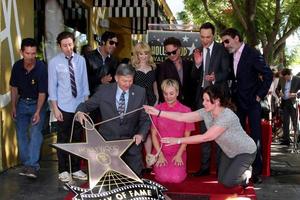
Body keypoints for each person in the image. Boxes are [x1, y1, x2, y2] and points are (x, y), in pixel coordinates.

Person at [144, 85, 256, 188]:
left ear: (217, 101)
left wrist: (178, 140)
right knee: (221, 180)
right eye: (203, 99)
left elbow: (205, 137)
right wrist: (158, 112)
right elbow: (182, 117)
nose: (203, 103)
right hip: (229, 152)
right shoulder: (206, 112)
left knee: (228, 182)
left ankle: (245, 175)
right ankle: (240, 171)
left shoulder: (226, 116)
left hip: (245, 151)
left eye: (207, 100)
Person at [76, 64, 151, 176]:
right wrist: (80, 112)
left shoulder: (140, 92)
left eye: (130, 81)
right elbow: (86, 105)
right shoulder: (104, 90)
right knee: (109, 180)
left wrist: (141, 134)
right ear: (116, 78)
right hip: (107, 142)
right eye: (124, 81)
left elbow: (145, 119)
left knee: (134, 178)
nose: (127, 84)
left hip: (131, 142)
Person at [220, 28, 273, 183]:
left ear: (237, 38)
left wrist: (259, 96)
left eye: (227, 41)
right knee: (239, 136)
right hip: (237, 103)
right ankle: (241, 168)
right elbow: (234, 76)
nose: (225, 45)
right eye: (223, 42)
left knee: (255, 138)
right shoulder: (230, 55)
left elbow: (268, 74)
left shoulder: (253, 53)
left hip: (252, 103)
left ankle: (256, 171)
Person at [48, 31, 90, 182]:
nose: (68, 48)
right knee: (63, 139)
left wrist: (85, 107)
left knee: (78, 138)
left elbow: (85, 84)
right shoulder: (54, 63)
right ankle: (63, 170)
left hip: (79, 106)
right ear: (60, 46)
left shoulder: (81, 60)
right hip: (63, 107)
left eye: (70, 44)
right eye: (65, 45)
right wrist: (55, 108)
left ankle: (76, 168)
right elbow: (52, 88)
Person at [192, 22, 231, 176]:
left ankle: (221, 169)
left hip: (218, 98)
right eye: (202, 37)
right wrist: (197, 65)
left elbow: (227, 71)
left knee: (220, 134)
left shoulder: (222, 49)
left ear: (213, 35)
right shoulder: (197, 51)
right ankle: (204, 168)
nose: (205, 40)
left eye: (208, 37)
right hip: (203, 99)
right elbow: (193, 78)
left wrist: (215, 77)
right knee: (204, 134)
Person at [10, 38, 48, 179]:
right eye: (28, 53)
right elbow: (14, 88)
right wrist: (14, 106)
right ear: (21, 52)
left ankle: (32, 166)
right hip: (21, 104)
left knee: (36, 133)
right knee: (21, 135)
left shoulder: (41, 67)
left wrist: (38, 111)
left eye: (33, 53)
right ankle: (27, 164)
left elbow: (42, 92)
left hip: (37, 103)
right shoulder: (17, 67)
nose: (31, 57)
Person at [151, 79, 194, 183]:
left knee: (176, 178)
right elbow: (153, 135)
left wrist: (179, 154)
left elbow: (187, 137)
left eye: (171, 93)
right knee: (163, 177)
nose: (168, 97)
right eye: (165, 93)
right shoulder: (157, 109)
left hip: (179, 150)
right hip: (160, 150)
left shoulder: (186, 111)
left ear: (177, 93)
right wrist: (160, 155)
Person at [131, 42, 159, 169]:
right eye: (141, 54)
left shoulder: (153, 68)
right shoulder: (132, 69)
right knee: (139, 131)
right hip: (137, 104)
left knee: (148, 132)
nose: (143, 56)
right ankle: (137, 162)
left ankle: (149, 161)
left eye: (146, 53)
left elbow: (155, 86)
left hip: (152, 102)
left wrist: (157, 99)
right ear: (137, 54)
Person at [157, 37, 195, 107]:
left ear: (179, 49)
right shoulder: (162, 66)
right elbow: (161, 88)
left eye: (174, 52)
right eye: (168, 53)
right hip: (172, 106)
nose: (171, 55)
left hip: (189, 105)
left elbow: (194, 83)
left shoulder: (189, 64)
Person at [276, 68, 300, 145]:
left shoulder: (297, 79)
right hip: (284, 102)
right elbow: (277, 89)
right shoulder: (282, 79)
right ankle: (286, 140)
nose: (286, 79)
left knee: (295, 121)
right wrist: (279, 94)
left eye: (287, 77)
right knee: (285, 122)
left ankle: (297, 139)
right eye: (284, 77)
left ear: (290, 74)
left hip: (293, 103)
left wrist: (296, 94)